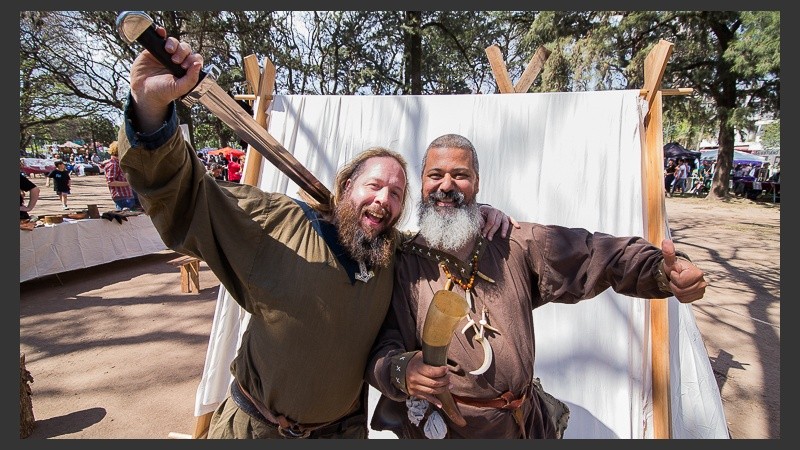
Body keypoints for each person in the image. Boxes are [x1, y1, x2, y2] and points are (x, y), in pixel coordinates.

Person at [116, 28, 515, 439]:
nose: (383, 199)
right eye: (374, 185)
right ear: (347, 187)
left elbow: (442, 238)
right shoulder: (277, 223)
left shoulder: (394, 251)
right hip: (256, 430)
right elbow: (189, 196)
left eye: (396, 194)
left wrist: (475, 212)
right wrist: (149, 108)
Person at [365, 133, 708, 439]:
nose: (446, 186)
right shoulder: (402, 263)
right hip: (445, 431)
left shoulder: (513, 242)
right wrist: (402, 370)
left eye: (460, 175)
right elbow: (382, 343)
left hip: (522, 427)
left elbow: (595, 254)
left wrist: (658, 270)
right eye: (435, 175)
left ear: (477, 183)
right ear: (422, 182)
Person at [104, 141, 138, 211]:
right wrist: (128, 183)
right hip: (121, 197)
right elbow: (110, 182)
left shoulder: (120, 163)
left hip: (128, 195)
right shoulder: (113, 164)